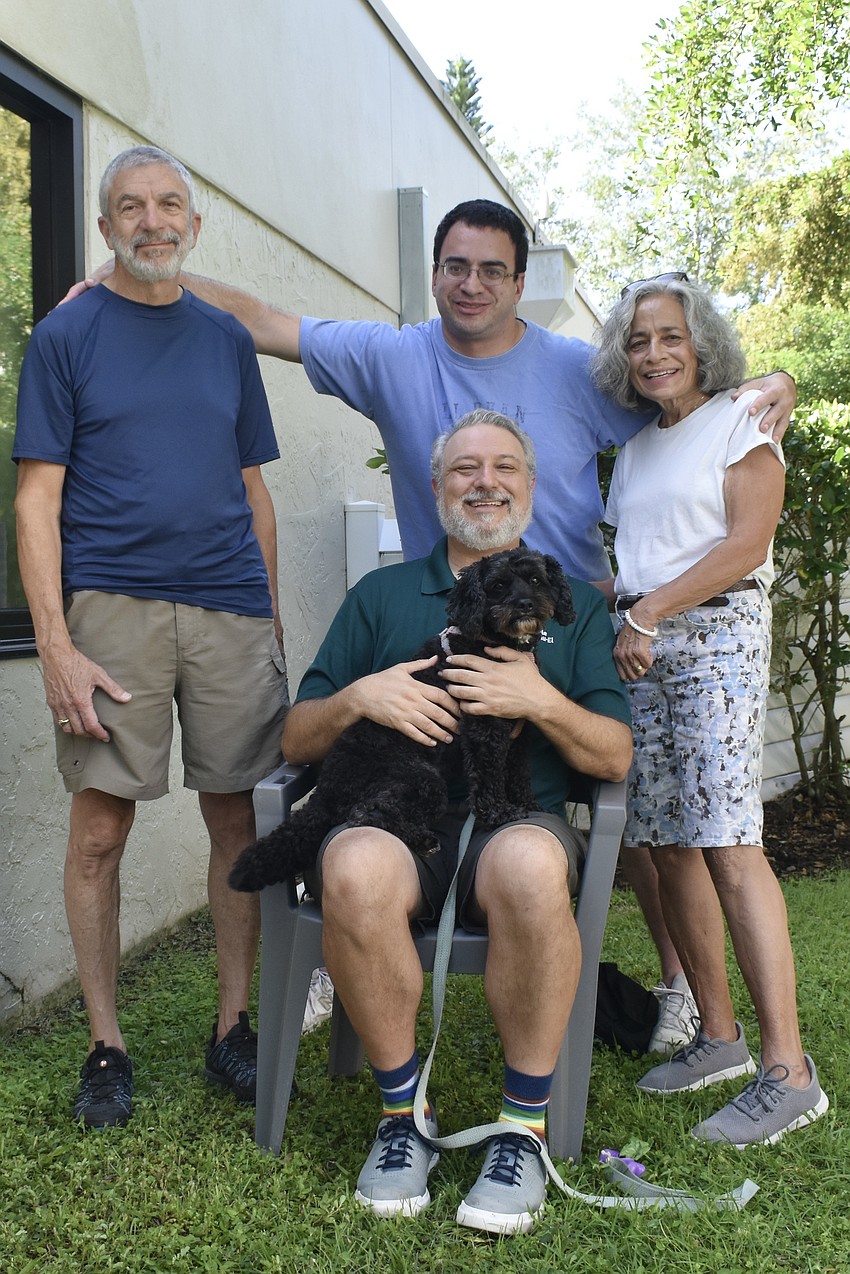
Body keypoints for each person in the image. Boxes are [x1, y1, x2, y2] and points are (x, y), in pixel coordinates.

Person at [68, 200, 796, 1047]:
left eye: (494, 270)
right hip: (455, 602)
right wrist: (138, 276)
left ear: (523, 283)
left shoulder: (577, 371)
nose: (473, 284)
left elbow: (685, 399)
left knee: (625, 810)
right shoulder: (392, 359)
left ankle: (680, 989)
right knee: (429, 768)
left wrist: (769, 386)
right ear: (436, 272)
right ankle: (350, 939)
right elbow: (266, 321)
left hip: (575, 614)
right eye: (457, 266)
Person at [280, 409, 632, 1234]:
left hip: (518, 825)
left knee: (530, 868)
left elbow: (615, 758)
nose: (485, 482)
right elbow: (296, 736)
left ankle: (522, 1130)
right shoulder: (382, 595)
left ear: (530, 487)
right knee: (353, 867)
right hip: (398, 823)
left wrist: (539, 699)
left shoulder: (567, 602)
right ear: (436, 488)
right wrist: (361, 696)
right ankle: (405, 1118)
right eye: (465, 469)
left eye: (504, 466)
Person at [13, 146, 289, 1129]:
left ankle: (232, 1024)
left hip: (228, 610)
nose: (152, 219)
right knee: (100, 828)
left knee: (236, 823)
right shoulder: (67, 336)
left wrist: (270, 618)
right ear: (105, 228)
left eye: (170, 203)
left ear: (193, 225)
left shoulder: (223, 340)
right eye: (130, 206)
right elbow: (36, 498)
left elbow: (253, 490)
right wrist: (53, 640)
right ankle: (106, 1043)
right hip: (112, 613)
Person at [589, 275, 829, 1146]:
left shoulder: (740, 419)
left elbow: (745, 545)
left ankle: (788, 1071)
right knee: (667, 843)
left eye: (670, 337)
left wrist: (649, 612)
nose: (654, 353)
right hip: (641, 644)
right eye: (639, 340)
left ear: (702, 345)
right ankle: (718, 1038)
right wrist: (612, 603)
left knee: (729, 843)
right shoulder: (640, 447)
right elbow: (648, 557)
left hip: (713, 637)